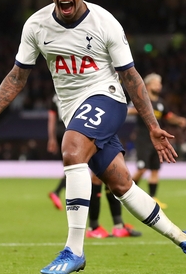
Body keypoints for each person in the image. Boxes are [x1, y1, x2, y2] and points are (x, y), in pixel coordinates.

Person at [0, 0, 186, 274]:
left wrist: (153, 126)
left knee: (72, 149)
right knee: (121, 185)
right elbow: (17, 77)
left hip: (107, 97)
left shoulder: (105, 23)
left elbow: (131, 78)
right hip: (72, 111)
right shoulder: (36, 26)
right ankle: (185, 240)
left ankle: (74, 250)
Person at [49, 95, 140, 238]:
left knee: (109, 177)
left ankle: (116, 224)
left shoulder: (62, 91)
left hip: (84, 127)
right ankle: (95, 226)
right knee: (99, 177)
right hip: (92, 128)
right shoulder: (101, 84)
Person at [128, 73, 186, 209]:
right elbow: (128, 111)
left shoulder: (161, 103)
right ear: (148, 85)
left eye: (159, 84)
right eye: (156, 83)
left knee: (155, 169)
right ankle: (127, 194)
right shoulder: (141, 99)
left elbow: (168, 116)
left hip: (157, 141)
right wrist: (140, 109)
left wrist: (179, 120)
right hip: (143, 139)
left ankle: (153, 199)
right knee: (142, 168)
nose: (159, 86)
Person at [46, 96, 65, 210]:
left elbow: (51, 118)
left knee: (71, 167)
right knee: (77, 166)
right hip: (72, 129)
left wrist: (52, 138)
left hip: (59, 131)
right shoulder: (74, 86)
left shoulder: (55, 96)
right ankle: (57, 192)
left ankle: (59, 193)